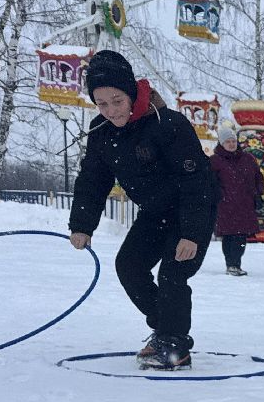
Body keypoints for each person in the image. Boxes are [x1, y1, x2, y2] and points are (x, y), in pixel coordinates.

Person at [68, 49, 218, 371]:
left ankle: (175, 345)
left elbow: (196, 180)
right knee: (129, 266)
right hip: (155, 213)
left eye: (117, 101)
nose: (111, 111)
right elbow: (93, 180)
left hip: (192, 208)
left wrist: (191, 233)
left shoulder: (168, 124)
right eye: (102, 104)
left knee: (173, 273)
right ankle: (165, 329)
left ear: (132, 93)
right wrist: (82, 224)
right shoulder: (101, 132)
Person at [209, 123, 261, 277]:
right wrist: (218, 196)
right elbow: (209, 182)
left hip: (245, 204)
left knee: (241, 236)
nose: (231, 144)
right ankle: (231, 264)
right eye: (227, 141)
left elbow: (258, 177)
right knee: (229, 235)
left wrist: (259, 194)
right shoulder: (215, 161)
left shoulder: (248, 159)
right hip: (225, 205)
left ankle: (236, 264)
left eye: (233, 141)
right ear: (221, 143)